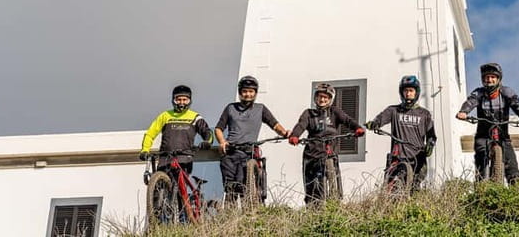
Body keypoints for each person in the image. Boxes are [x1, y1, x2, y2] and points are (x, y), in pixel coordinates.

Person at [456, 62, 519, 185]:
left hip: (503, 135)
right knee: (481, 164)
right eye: (486, 77)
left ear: (498, 79)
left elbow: (517, 106)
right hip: (483, 135)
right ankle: (480, 191)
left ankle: (517, 195)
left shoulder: (506, 92)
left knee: (512, 167)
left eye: (492, 77)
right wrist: (463, 112)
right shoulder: (479, 93)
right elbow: (470, 102)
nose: (489, 80)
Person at [214, 75, 290, 203]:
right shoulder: (230, 108)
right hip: (231, 152)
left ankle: (248, 216)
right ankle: (230, 216)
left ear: (255, 93)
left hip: (249, 152)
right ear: (240, 93)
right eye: (244, 91)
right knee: (231, 188)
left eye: (251, 91)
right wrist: (222, 142)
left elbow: (274, 124)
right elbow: (218, 128)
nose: (247, 94)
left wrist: (284, 133)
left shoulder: (261, 109)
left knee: (246, 187)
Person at [288, 83, 365, 204]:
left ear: (330, 99)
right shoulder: (308, 113)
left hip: (329, 151)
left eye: (326, 97)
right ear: (315, 98)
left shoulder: (334, 112)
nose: (322, 99)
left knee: (335, 179)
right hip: (312, 153)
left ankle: (335, 202)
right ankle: (312, 206)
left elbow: (347, 120)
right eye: (320, 96)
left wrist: (357, 128)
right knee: (312, 186)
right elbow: (301, 125)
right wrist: (295, 136)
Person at [365, 75, 437, 190]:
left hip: (418, 156)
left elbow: (431, 135)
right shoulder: (393, 111)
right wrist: (374, 124)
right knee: (393, 187)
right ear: (401, 92)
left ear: (416, 92)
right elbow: (380, 119)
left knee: (415, 187)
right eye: (405, 91)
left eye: (411, 91)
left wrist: (430, 145)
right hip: (398, 156)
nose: (408, 94)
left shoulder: (424, 114)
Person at [139, 84, 213, 176]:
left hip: (185, 157)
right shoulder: (165, 116)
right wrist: (145, 150)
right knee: (161, 186)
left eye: (185, 100)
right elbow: (150, 134)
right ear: (173, 100)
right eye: (178, 99)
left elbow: (207, 132)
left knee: (177, 187)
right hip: (165, 157)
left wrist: (207, 142)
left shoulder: (195, 117)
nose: (181, 102)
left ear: (189, 101)